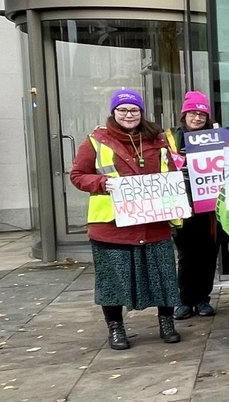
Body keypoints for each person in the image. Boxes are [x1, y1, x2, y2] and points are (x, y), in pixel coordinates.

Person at [70, 89, 183, 350]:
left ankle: (167, 323)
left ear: (141, 113)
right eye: (122, 110)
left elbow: (171, 172)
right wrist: (101, 182)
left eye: (134, 110)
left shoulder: (158, 139)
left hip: (153, 223)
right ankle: (116, 328)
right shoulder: (95, 141)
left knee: (164, 276)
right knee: (113, 282)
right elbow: (77, 175)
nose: (128, 114)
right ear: (113, 112)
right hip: (112, 227)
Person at [168, 91, 219, 320]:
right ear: (184, 115)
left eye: (201, 114)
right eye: (193, 113)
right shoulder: (171, 138)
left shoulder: (216, 136)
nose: (197, 118)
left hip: (210, 207)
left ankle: (203, 299)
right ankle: (184, 300)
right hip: (183, 205)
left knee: (208, 254)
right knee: (186, 256)